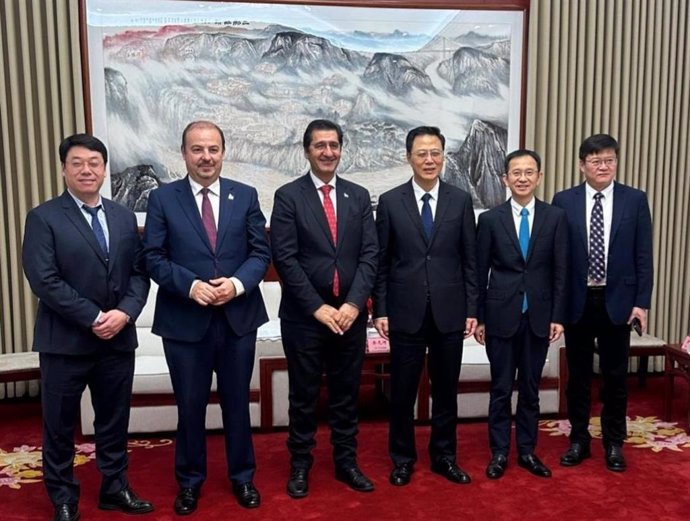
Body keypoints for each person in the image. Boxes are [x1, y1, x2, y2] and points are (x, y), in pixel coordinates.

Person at [22, 134, 153, 521]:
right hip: (65, 342)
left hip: (118, 339)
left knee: (114, 420)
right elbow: (44, 280)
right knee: (59, 425)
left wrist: (125, 313)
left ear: (104, 169)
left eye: (94, 163)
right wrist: (95, 317)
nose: (86, 170)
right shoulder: (43, 218)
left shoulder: (123, 216)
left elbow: (140, 273)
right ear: (64, 169)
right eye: (77, 163)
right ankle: (63, 498)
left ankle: (115, 488)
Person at [142, 121, 270, 512]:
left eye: (213, 149)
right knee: (190, 406)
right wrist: (191, 285)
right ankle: (190, 482)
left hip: (237, 319)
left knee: (236, 404)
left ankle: (242, 478)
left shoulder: (244, 196)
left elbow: (260, 254)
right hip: (184, 321)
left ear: (223, 152)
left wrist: (235, 284)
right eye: (197, 149)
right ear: (183, 154)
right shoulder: (163, 199)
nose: (206, 157)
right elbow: (152, 257)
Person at [270, 119, 378, 497]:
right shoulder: (288, 196)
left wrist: (352, 304)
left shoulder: (359, 196)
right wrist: (318, 308)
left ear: (341, 149)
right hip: (305, 317)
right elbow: (284, 258)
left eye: (334, 145)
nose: (328, 151)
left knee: (347, 393)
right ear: (307, 151)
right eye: (320, 146)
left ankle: (347, 462)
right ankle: (300, 465)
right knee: (303, 396)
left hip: (350, 316)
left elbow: (369, 255)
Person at [373, 126, 478, 487]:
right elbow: (381, 263)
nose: (429, 160)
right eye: (422, 153)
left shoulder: (460, 200)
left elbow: (470, 261)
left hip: (450, 311)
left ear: (443, 156)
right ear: (409, 157)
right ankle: (402, 458)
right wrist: (380, 310)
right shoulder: (389, 202)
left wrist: (472, 309)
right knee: (402, 391)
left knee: (446, 390)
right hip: (405, 312)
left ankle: (444, 457)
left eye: (436, 153)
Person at [552, 134, 653, 472]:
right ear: (582, 165)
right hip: (578, 301)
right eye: (596, 161)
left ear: (616, 162)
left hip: (618, 300)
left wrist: (642, 302)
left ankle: (613, 442)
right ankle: (578, 439)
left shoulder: (634, 200)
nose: (603, 166)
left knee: (615, 376)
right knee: (578, 376)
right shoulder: (563, 201)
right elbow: (559, 257)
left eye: (609, 159)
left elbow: (643, 256)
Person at [474, 149, 568, 480]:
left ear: (539, 177)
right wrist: (480, 317)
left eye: (529, 172)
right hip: (500, 316)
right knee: (500, 388)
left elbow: (560, 271)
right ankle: (499, 452)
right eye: (516, 173)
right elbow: (478, 271)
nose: (523, 178)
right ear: (505, 179)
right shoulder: (489, 219)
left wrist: (558, 316)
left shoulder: (555, 218)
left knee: (530, 389)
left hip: (539, 317)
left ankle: (527, 451)